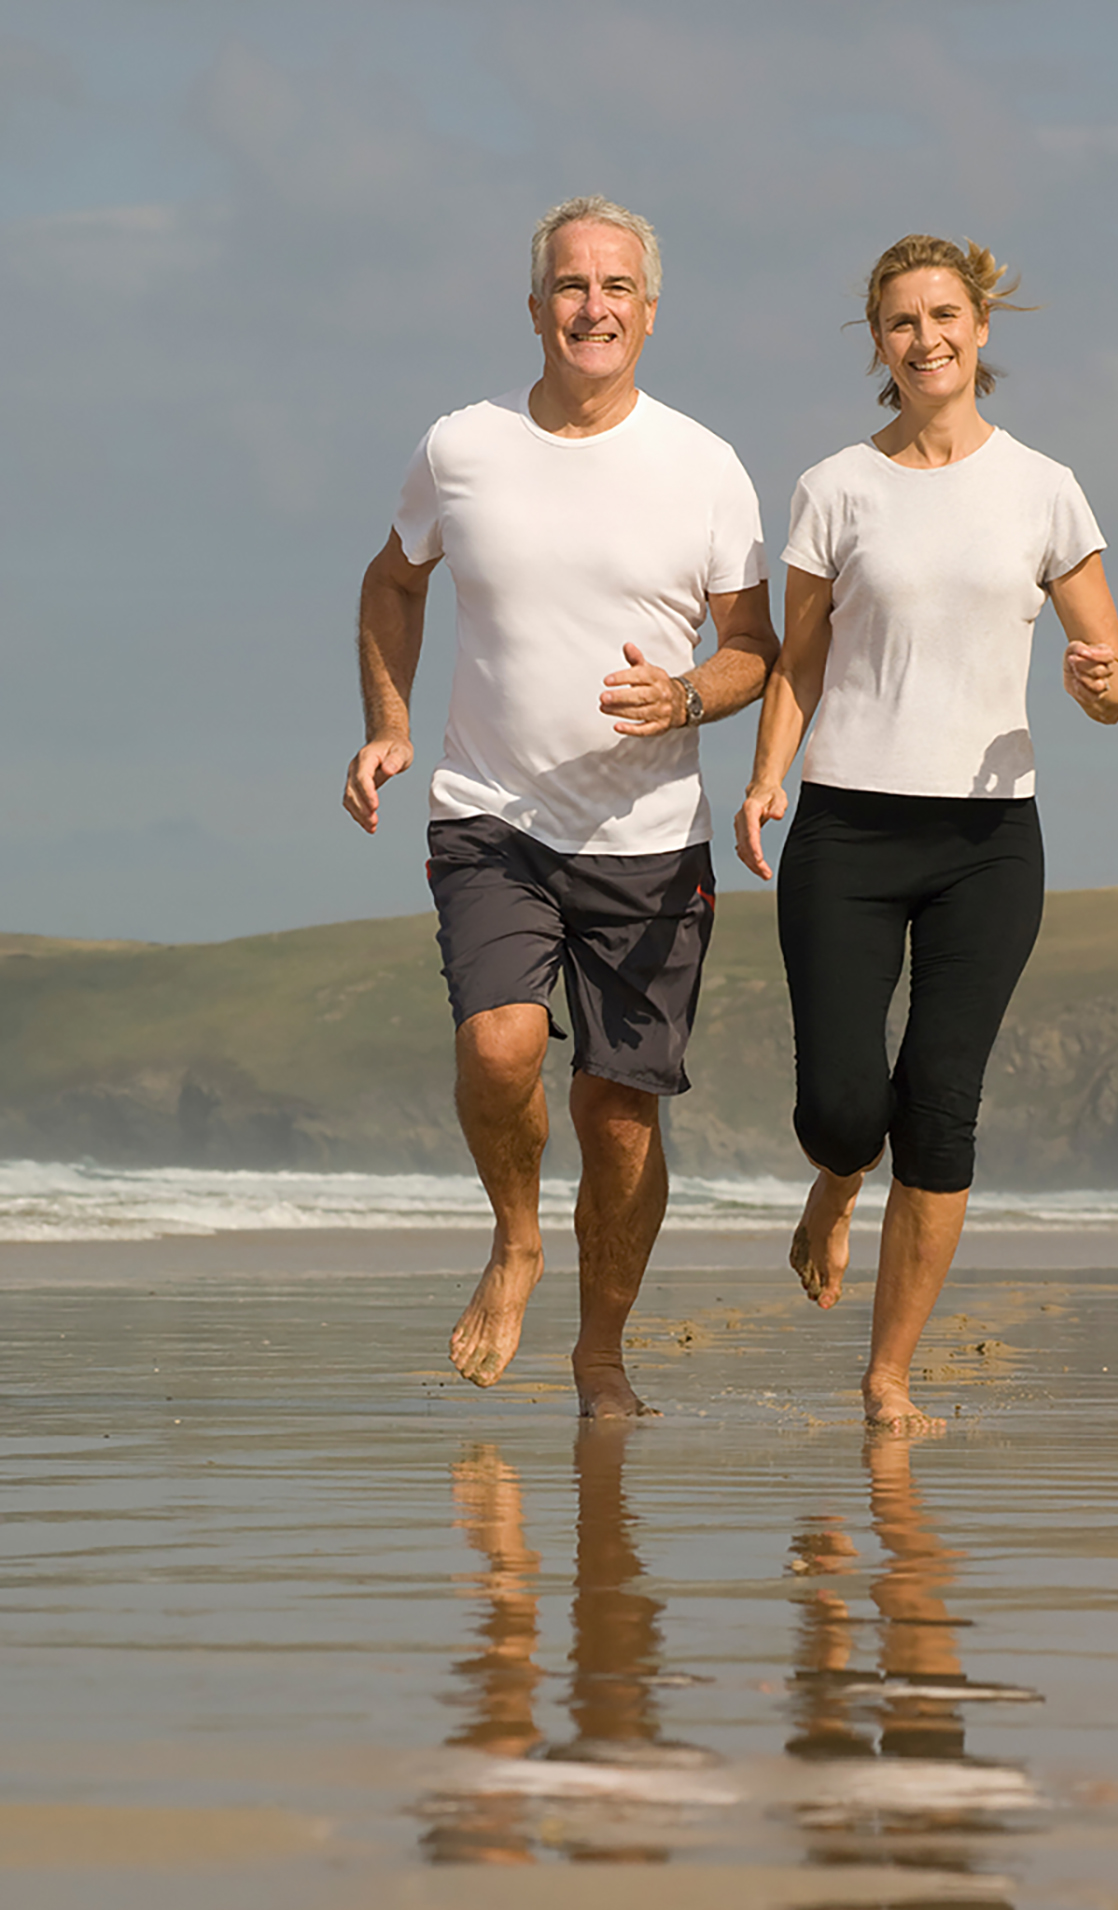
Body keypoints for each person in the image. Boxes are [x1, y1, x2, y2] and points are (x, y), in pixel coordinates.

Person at [345, 196, 776, 1416]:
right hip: (489, 812)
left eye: (617, 288)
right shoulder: (461, 446)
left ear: (650, 313)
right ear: (535, 307)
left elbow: (755, 644)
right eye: (572, 286)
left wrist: (690, 694)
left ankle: (600, 1352)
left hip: (646, 839)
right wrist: (389, 724)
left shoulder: (703, 467)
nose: (594, 307)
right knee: (500, 1041)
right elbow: (392, 580)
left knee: (620, 1117)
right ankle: (515, 1236)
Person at [736, 234, 1118, 1427]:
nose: (927, 338)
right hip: (847, 827)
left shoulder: (1043, 487)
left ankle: (886, 1374)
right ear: (877, 343)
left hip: (987, 838)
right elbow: (797, 661)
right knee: (843, 1108)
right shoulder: (831, 488)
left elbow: (1116, 682)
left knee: (941, 1101)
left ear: (980, 328)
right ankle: (832, 1181)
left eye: (945, 314)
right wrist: (765, 782)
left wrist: (1098, 682)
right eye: (902, 321)